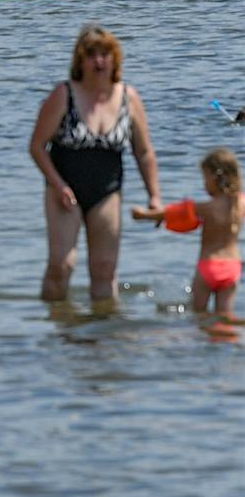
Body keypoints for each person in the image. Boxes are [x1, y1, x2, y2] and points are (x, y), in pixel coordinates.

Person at [28, 26, 161, 305]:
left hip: (107, 192)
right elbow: (37, 146)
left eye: (105, 54)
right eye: (91, 55)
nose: (99, 61)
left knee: (104, 270)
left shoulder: (128, 97)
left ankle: (104, 329)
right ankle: (54, 323)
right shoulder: (63, 94)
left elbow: (144, 152)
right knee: (61, 266)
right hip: (64, 190)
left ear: (115, 59)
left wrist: (154, 197)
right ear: (80, 61)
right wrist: (59, 185)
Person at [132, 149, 242, 317]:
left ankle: (197, 334)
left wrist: (142, 215)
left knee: (198, 315)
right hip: (232, 267)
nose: (204, 184)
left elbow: (171, 213)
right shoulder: (240, 204)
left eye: (205, 178)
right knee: (225, 316)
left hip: (209, 266)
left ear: (214, 178)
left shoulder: (205, 208)